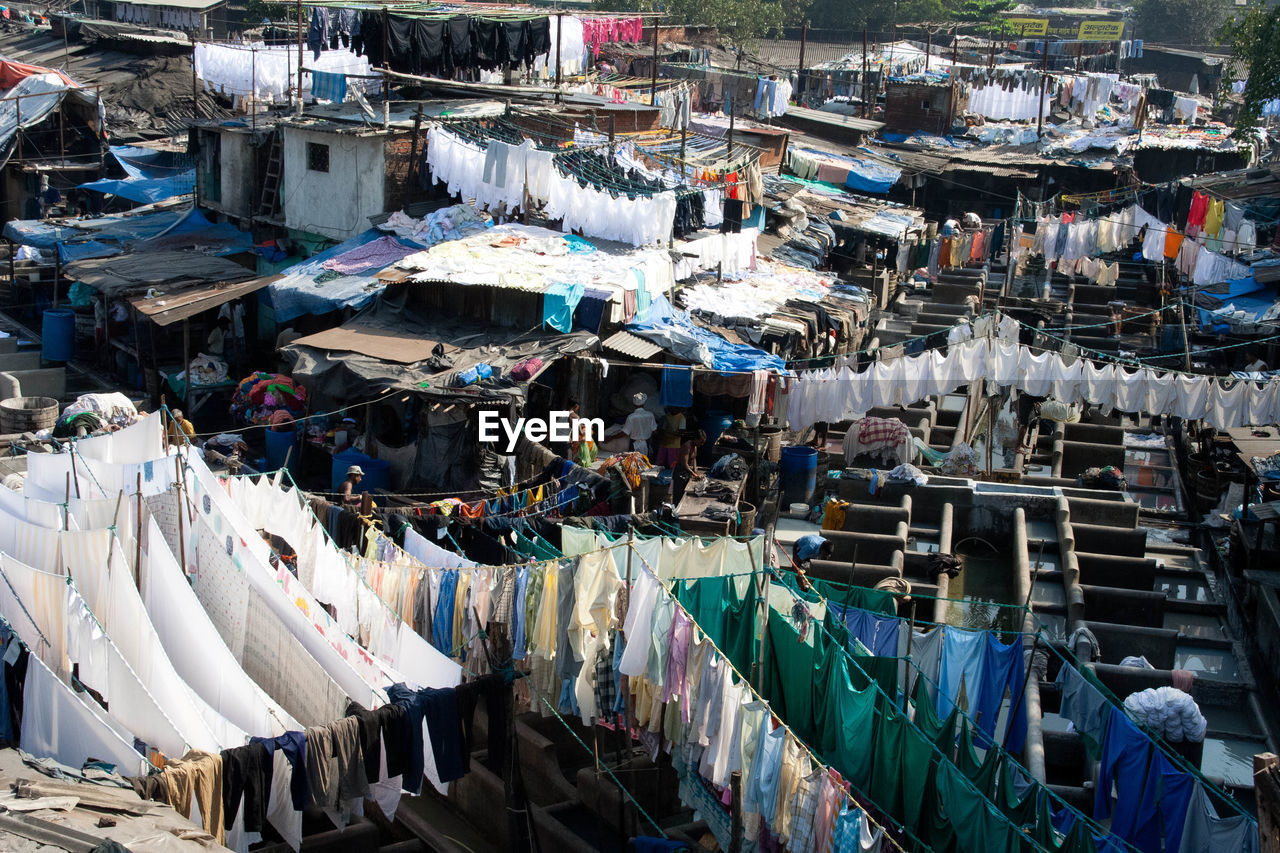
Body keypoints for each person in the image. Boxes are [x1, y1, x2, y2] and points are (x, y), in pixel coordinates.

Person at [672, 430, 705, 504]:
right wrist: (694, 474)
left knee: (685, 495)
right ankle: (674, 513)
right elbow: (684, 464)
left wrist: (695, 470)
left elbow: (694, 459)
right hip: (680, 473)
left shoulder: (695, 446)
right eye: (701, 441)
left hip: (687, 472)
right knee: (678, 496)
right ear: (695, 439)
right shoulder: (687, 446)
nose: (702, 444)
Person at [622, 392, 658, 456]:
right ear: (644, 403)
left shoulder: (631, 417)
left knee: (632, 462)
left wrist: (611, 437)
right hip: (646, 443)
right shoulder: (650, 415)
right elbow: (655, 431)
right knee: (645, 462)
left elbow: (625, 432)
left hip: (634, 444)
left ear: (634, 404)